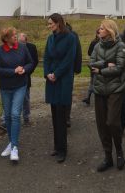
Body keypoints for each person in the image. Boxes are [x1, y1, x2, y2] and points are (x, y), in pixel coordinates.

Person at [89, 19, 125, 172]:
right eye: (99, 28)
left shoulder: (120, 46)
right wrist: (106, 64)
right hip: (99, 89)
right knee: (102, 124)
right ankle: (108, 157)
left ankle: (119, 151)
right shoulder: (97, 46)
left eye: (102, 28)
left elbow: (119, 68)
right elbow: (91, 64)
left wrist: (102, 67)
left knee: (112, 122)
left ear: (110, 30)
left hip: (116, 89)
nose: (99, 30)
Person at [0, 27, 34, 162]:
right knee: (8, 116)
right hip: (5, 87)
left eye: (16, 35)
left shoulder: (22, 47)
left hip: (20, 85)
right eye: (13, 36)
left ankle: (15, 147)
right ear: (5, 38)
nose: (15, 37)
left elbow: (31, 63)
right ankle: (11, 143)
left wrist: (24, 69)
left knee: (15, 114)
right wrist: (13, 71)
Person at [44, 13, 76, 163]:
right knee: (54, 114)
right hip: (52, 81)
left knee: (62, 117)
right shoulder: (50, 38)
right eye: (48, 24)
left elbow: (69, 60)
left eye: (51, 23)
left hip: (63, 80)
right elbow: (47, 58)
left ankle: (63, 150)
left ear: (58, 23)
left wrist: (56, 73)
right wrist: (47, 73)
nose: (49, 26)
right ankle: (57, 147)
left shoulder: (70, 38)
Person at [18, 33, 38, 124]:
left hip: (26, 75)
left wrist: (28, 71)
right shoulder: (14, 47)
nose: (21, 43)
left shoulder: (31, 47)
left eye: (22, 42)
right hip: (15, 75)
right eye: (19, 42)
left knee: (26, 98)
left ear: (26, 40)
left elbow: (34, 61)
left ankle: (26, 117)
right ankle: (8, 120)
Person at [65, 22, 82, 127]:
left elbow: (78, 51)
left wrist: (77, 68)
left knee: (67, 93)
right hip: (58, 70)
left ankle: (66, 117)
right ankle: (63, 116)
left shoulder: (73, 35)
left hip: (69, 69)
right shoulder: (53, 35)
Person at [82, 28, 100, 105]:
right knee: (92, 81)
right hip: (94, 63)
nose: (100, 34)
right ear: (96, 34)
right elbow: (89, 52)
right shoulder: (94, 42)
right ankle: (88, 97)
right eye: (98, 33)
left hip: (101, 65)